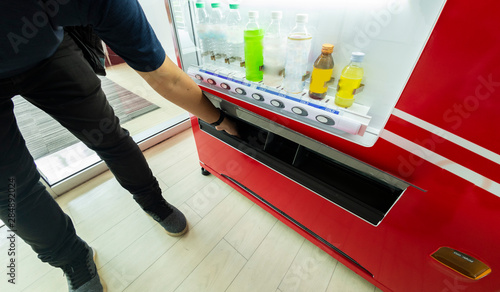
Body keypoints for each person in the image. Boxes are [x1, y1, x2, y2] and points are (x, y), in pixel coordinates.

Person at [0, 0, 238, 291]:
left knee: (109, 135)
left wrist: (217, 119)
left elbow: (163, 75)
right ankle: (72, 258)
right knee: (9, 186)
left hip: (48, 53)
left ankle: (153, 203)